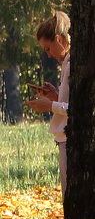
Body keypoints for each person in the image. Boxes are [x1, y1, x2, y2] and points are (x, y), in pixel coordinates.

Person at [26, 11, 70, 198]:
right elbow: (68, 102)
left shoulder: (72, 63)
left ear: (59, 39)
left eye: (48, 48)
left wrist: (49, 106)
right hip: (64, 139)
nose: (49, 55)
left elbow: (79, 110)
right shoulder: (67, 64)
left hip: (70, 140)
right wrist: (55, 96)